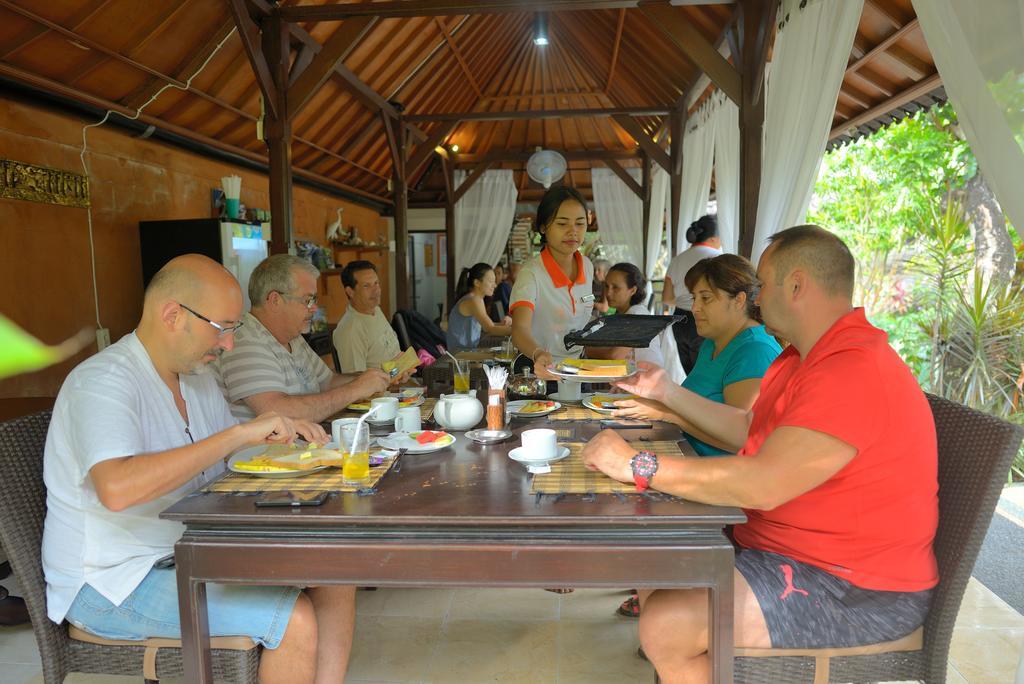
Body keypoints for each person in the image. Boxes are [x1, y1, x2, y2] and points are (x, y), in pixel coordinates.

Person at [582, 225, 938, 683]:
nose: (756, 298)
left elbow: (763, 483)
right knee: (657, 565)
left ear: (796, 285)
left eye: (762, 286)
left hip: (856, 586)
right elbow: (749, 429)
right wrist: (664, 397)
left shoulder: (852, 368)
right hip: (786, 550)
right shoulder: (804, 358)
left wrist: (638, 465)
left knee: (667, 623)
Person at [42, 255, 357, 684]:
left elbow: (234, 461)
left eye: (233, 330)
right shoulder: (103, 381)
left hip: (188, 552)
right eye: (222, 328)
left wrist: (305, 454)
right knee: (294, 617)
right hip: (115, 581)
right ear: (173, 315)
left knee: (335, 574)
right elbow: (117, 487)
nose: (228, 345)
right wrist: (240, 435)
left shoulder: (196, 380)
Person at [614, 254, 781, 456]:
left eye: (706, 298)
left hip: (717, 476)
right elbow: (694, 406)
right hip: (685, 452)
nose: (694, 308)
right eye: (694, 298)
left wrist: (667, 413)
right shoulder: (713, 342)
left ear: (739, 300)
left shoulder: (754, 350)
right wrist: (652, 392)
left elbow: (742, 443)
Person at [213, 254, 391, 422]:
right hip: (264, 454)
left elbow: (328, 382)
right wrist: (356, 389)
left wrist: (377, 377)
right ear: (275, 300)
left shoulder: (293, 338)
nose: (314, 308)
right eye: (308, 300)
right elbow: (278, 413)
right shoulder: (244, 340)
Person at [510, 185, 595, 380]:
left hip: (578, 369)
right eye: (562, 224)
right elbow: (519, 329)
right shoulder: (531, 273)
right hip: (539, 371)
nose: (573, 231)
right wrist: (538, 354)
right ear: (543, 227)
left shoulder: (588, 267)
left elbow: (581, 318)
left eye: (580, 223)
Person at [585, 262, 685, 385]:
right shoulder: (623, 315)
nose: (608, 293)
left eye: (615, 287)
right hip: (637, 383)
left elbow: (615, 355)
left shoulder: (637, 315)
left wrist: (584, 348)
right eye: (606, 286)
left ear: (632, 290)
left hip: (649, 386)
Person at [663, 215, 723, 374]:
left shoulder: (677, 260)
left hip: (680, 321)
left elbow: (666, 298)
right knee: (706, 373)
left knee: (690, 373)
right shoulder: (719, 258)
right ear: (715, 237)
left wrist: (684, 301)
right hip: (706, 318)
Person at [332, 260, 408, 379]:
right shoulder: (350, 330)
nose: (376, 290)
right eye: (366, 285)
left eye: (376, 283)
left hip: (399, 384)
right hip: (383, 396)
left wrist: (401, 369)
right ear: (350, 292)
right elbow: (356, 383)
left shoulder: (375, 310)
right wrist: (395, 371)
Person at [446, 262, 513, 352]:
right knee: (511, 343)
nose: (495, 285)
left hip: (469, 347)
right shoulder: (474, 300)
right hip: (460, 353)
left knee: (509, 343)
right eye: (491, 282)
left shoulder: (476, 299)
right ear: (477, 283)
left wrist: (502, 324)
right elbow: (490, 329)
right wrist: (518, 331)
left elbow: (487, 325)